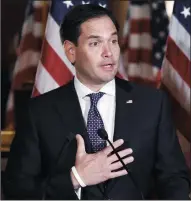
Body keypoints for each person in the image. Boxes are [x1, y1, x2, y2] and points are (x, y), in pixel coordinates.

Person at [3, 4, 190, 200]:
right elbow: (17, 189)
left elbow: (174, 178)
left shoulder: (152, 104)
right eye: (95, 43)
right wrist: (76, 178)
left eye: (114, 41)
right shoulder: (40, 111)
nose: (108, 52)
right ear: (70, 51)